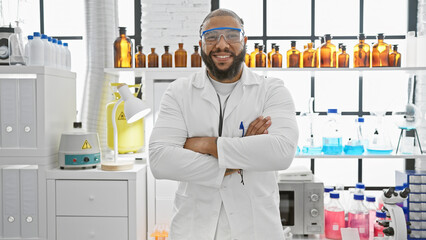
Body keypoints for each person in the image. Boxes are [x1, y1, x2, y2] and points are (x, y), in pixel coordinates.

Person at [149, 8, 298, 240]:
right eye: (211, 37)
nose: (221, 44)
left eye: (231, 35)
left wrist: (206, 145)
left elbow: (281, 152)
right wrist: (243, 155)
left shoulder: (271, 90)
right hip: (193, 229)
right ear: (201, 44)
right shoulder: (178, 92)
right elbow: (160, 161)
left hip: (257, 229)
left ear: (244, 41)